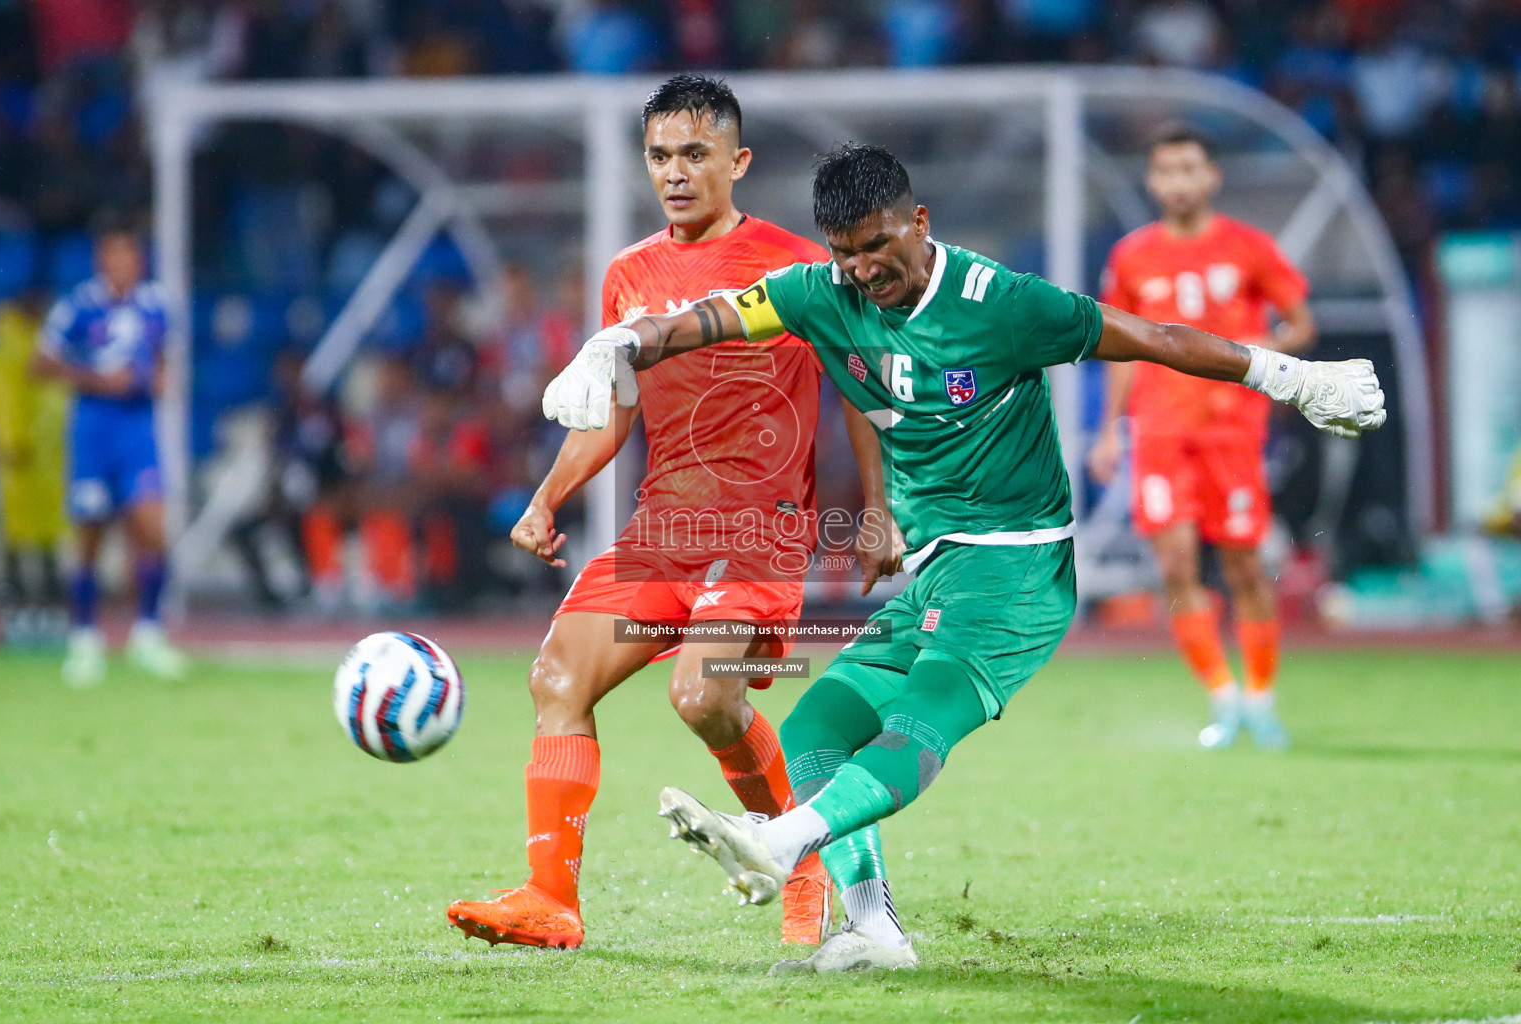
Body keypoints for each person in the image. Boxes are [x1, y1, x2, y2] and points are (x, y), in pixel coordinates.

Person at [538, 143, 1385, 973]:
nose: (866, 268)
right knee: (816, 726)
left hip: (1016, 571)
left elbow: (1152, 337)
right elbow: (710, 318)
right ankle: (877, 932)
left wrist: (1292, 378)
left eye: (880, 244)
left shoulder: (1000, 302)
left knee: (916, 727)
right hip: (935, 573)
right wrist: (618, 345)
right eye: (847, 253)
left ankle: (780, 840)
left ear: (919, 222)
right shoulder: (819, 293)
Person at [446, 75, 899, 951]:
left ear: (738, 160)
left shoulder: (797, 269)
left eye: (696, 153)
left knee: (702, 698)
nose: (676, 172)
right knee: (557, 679)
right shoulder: (630, 274)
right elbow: (614, 409)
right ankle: (552, 898)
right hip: (663, 530)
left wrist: (879, 509)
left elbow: (858, 388)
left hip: (760, 532)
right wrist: (548, 498)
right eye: (660, 155)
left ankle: (799, 861)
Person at [1089, 124, 1317, 750]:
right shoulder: (1131, 256)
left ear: (1211, 175)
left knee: (1244, 566)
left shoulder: (1250, 247)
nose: (1178, 182)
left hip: (1233, 432)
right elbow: (1123, 350)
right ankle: (1224, 700)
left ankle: (1263, 700)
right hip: (1161, 431)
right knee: (1176, 565)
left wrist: (1261, 351)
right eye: (1166, 171)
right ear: (1152, 180)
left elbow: (1301, 324)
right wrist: (1109, 432)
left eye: (1189, 169)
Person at [32, 215, 187, 686]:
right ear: (102, 260)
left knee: (152, 527)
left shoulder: (157, 305)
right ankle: (84, 639)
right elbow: (39, 364)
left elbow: (163, 360)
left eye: (130, 256)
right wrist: (99, 380)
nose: (123, 265)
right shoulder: (78, 306)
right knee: (91, 534)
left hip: (138, 432)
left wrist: (158, 379)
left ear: (139, 260)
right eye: (114, 256)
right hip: (94, 431)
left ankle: (148, 633)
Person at [0, 278, 69, 621]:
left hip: (50, 444)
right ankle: (13, 578)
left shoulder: (47, 339)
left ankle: (49, 577)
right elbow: (3, 396)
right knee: (14, 512)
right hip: (18, 444)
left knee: (50, 511)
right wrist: (10, 438)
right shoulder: (5, 340)